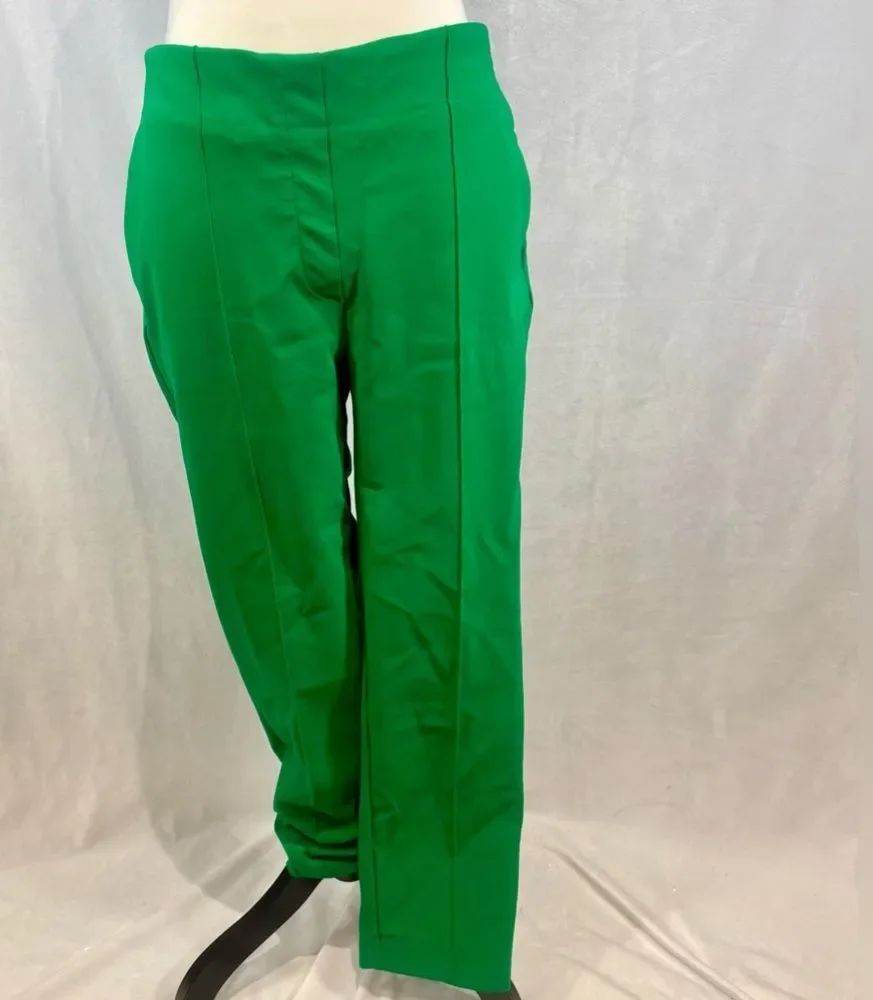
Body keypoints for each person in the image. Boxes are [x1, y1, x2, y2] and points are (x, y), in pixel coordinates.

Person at [124, 3, 532, 995]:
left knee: (449, 538)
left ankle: (444, 899)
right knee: (265, 538)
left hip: (428, 123)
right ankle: (333, 821)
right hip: (210, 131)